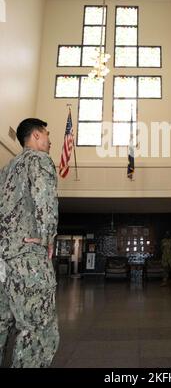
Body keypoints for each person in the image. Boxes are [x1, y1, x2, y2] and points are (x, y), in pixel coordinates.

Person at [0, 118, 59, 368]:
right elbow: (44, 199)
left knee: (2, 322)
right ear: (35, 136)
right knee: (38, 330)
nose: (49, 140)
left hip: (3, 258)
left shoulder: (7, 168)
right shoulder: (39, 160)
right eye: (46, 134)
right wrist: (47, 237)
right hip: (27, 258)